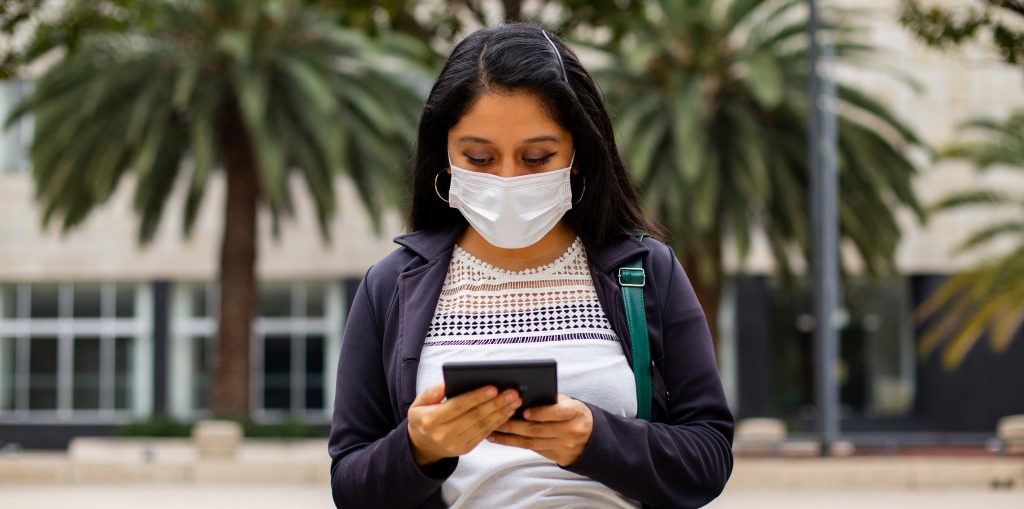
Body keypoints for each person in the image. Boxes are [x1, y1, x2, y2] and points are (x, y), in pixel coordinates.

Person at [328, 23, 733, 509]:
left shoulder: (646, 273)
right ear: (445, 156)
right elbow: (350, 485)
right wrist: (418, 448)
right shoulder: (390, 286)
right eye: (479, 157)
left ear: (579, 154)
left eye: (537, 157)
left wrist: (595, 439)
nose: (508, 179)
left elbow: (708, 458)